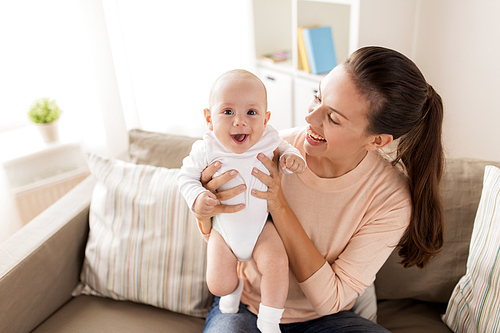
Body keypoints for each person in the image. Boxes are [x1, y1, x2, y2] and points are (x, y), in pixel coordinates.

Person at [199, 46, 445, 332]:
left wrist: (279, 206)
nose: (311, 119)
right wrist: (207, 210)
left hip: (326, 320)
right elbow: (223, 236)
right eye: (317, 96)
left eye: (333, 118)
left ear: (376, 141)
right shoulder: (267, 150)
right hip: (248, 307)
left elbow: (330, 301)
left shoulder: (390, 198)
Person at [178, 69, 306, 333]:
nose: (239, 122)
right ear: (208, 118)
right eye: (227, 112)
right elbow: (185, 178)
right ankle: (234, 287)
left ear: (266, 118)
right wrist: (198, 196)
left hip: (261, 228)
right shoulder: (206, 148)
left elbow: (285, 148)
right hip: (224, 231)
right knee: (218, 285)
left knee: (277, 264)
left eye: (251, 112)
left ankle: (269, 321)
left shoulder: (268, 138)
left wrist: (290, 158)